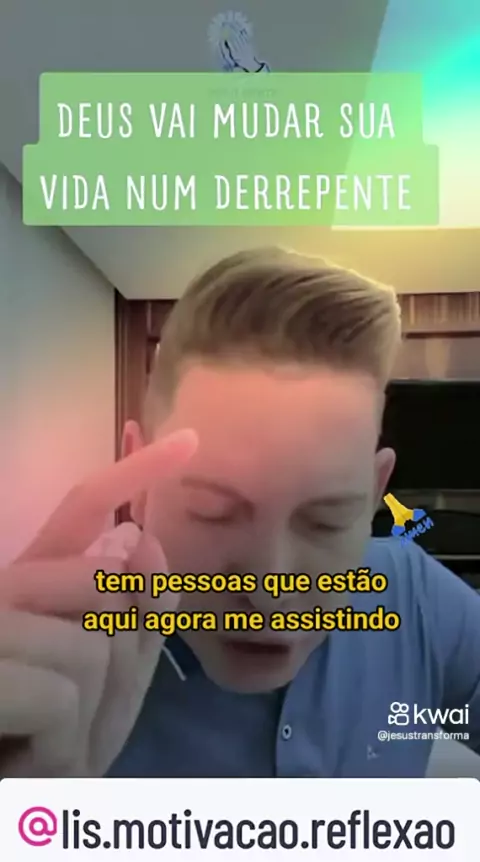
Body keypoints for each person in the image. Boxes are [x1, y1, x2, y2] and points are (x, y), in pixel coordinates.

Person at [1, 246, 479, 778]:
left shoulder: (415, 597)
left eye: (325, 521)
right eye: (214, 512)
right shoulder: (64, 665)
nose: (269, 590)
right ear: (138, 481)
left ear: (373, 495)